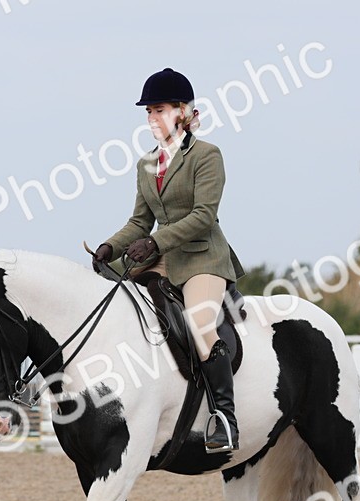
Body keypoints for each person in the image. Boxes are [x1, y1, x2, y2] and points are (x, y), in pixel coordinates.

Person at [91, 67, 246, 453]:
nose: (151, 119)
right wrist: (110, 246)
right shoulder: (147, 163)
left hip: (202, 258)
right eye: (148, 112)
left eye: (158, 110)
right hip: (161, 258)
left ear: (182, 111)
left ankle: (224, 418)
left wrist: (155, 243)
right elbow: (139, 221)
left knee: (199, 324)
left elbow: (203, 216)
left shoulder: (207, 156)